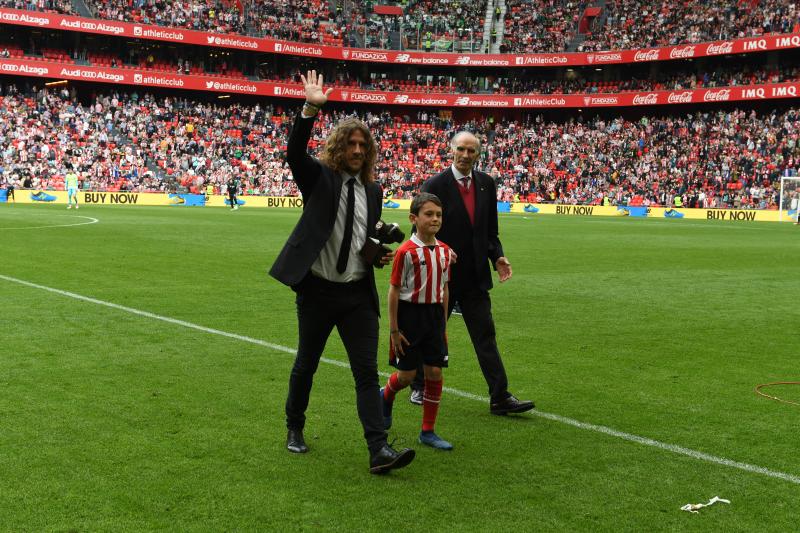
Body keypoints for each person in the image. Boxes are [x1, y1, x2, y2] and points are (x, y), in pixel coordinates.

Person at [269, 70, 415, 475]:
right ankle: (294, 427)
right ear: (338, 147)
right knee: (306, 364)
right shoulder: (319, 178)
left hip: (356, 295)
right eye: (349, 143)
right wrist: (310, 108)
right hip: (317, 291)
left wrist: (375, 255)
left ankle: (378, 449)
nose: (355, 149)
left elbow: (361, 236)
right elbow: (294, 155)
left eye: (362, 145)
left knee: (366, 372)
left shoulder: (373, 191)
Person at [413, 131, 535, 415]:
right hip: (442, 276)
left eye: (472, 151)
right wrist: (442, 250)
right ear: (451, 150)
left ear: (478, 154)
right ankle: (418, 384)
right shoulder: (435, 184)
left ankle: (499, 396)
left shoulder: (486, 184)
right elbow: (419, 231)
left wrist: (498, 256)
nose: (466, 155)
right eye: (461, 150)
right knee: (432, 331)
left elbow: (490, 231)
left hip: (476, 277)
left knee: (485, 335)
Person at [380, 192, 454, 450]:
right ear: (414, 218)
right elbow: (393, 290)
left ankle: (428, 431)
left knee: (434, 371)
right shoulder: (406, 252)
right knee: (407, 376)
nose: (435, 219)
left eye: (439, 215)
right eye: (429, 214)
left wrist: (443, 324)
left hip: (433, 317)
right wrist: (394, 329)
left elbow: (444, 290)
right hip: (409, 317)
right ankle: (385, 395)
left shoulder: (445, 252)